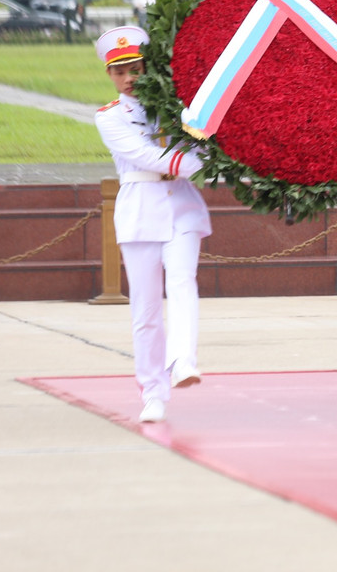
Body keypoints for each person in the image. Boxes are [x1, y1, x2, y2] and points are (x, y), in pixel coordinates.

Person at [93, 26, 210, 424]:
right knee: (145, 309)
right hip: (140, 209)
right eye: (120, 71)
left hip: (181, 206)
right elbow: (144, 156)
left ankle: (183, 361)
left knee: (182, 282)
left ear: (148, 67)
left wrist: (213, 157)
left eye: (135, 68)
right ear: (110, 74)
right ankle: (153, 393)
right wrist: (204, 166)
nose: (129, 78)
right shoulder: (109, 117)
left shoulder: (178, 107)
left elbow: (202, 141)